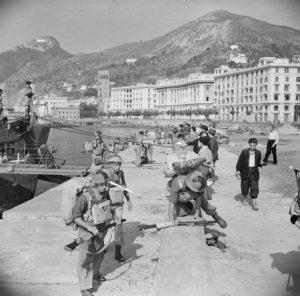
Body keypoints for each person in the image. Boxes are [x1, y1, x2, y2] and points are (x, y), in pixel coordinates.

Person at [71, 172, 112, 296]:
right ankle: (85, 288)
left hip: (100, 229)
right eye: (100, 185)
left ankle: (94, 274)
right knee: (85, 259)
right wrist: (89, 227)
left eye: (105, 184)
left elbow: (108, 208)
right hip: (86, 231)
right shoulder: (85, 197)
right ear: (94, 185)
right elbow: (76, 217)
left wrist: (113, 217)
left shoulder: (105, 194)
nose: (103, 188)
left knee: (99, 253)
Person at [107, 155, 132, 262]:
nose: (118, 167)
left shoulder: (121, 174)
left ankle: (117, 254)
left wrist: (129, 200)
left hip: (119, 204)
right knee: (103, 226)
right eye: (116, 165)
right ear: (111, 164)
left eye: (119, 164)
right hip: (107, 204)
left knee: (118, 228)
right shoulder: (106, 174)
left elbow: (124, 187)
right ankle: (101, 246)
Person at [235, 138, 263, 211]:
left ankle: (254, 203)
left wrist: (262, 163)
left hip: (254, 173)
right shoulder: (244, 152)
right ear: (249, 144)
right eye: (251, 145)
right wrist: (238, 172)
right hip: (245, 172)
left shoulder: (258, 152)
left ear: (256, 145)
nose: (252, 147)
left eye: (253, 145)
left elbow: (258, 163)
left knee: (255, 188)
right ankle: (244, 199)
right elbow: (239, 163)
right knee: (245, 187)